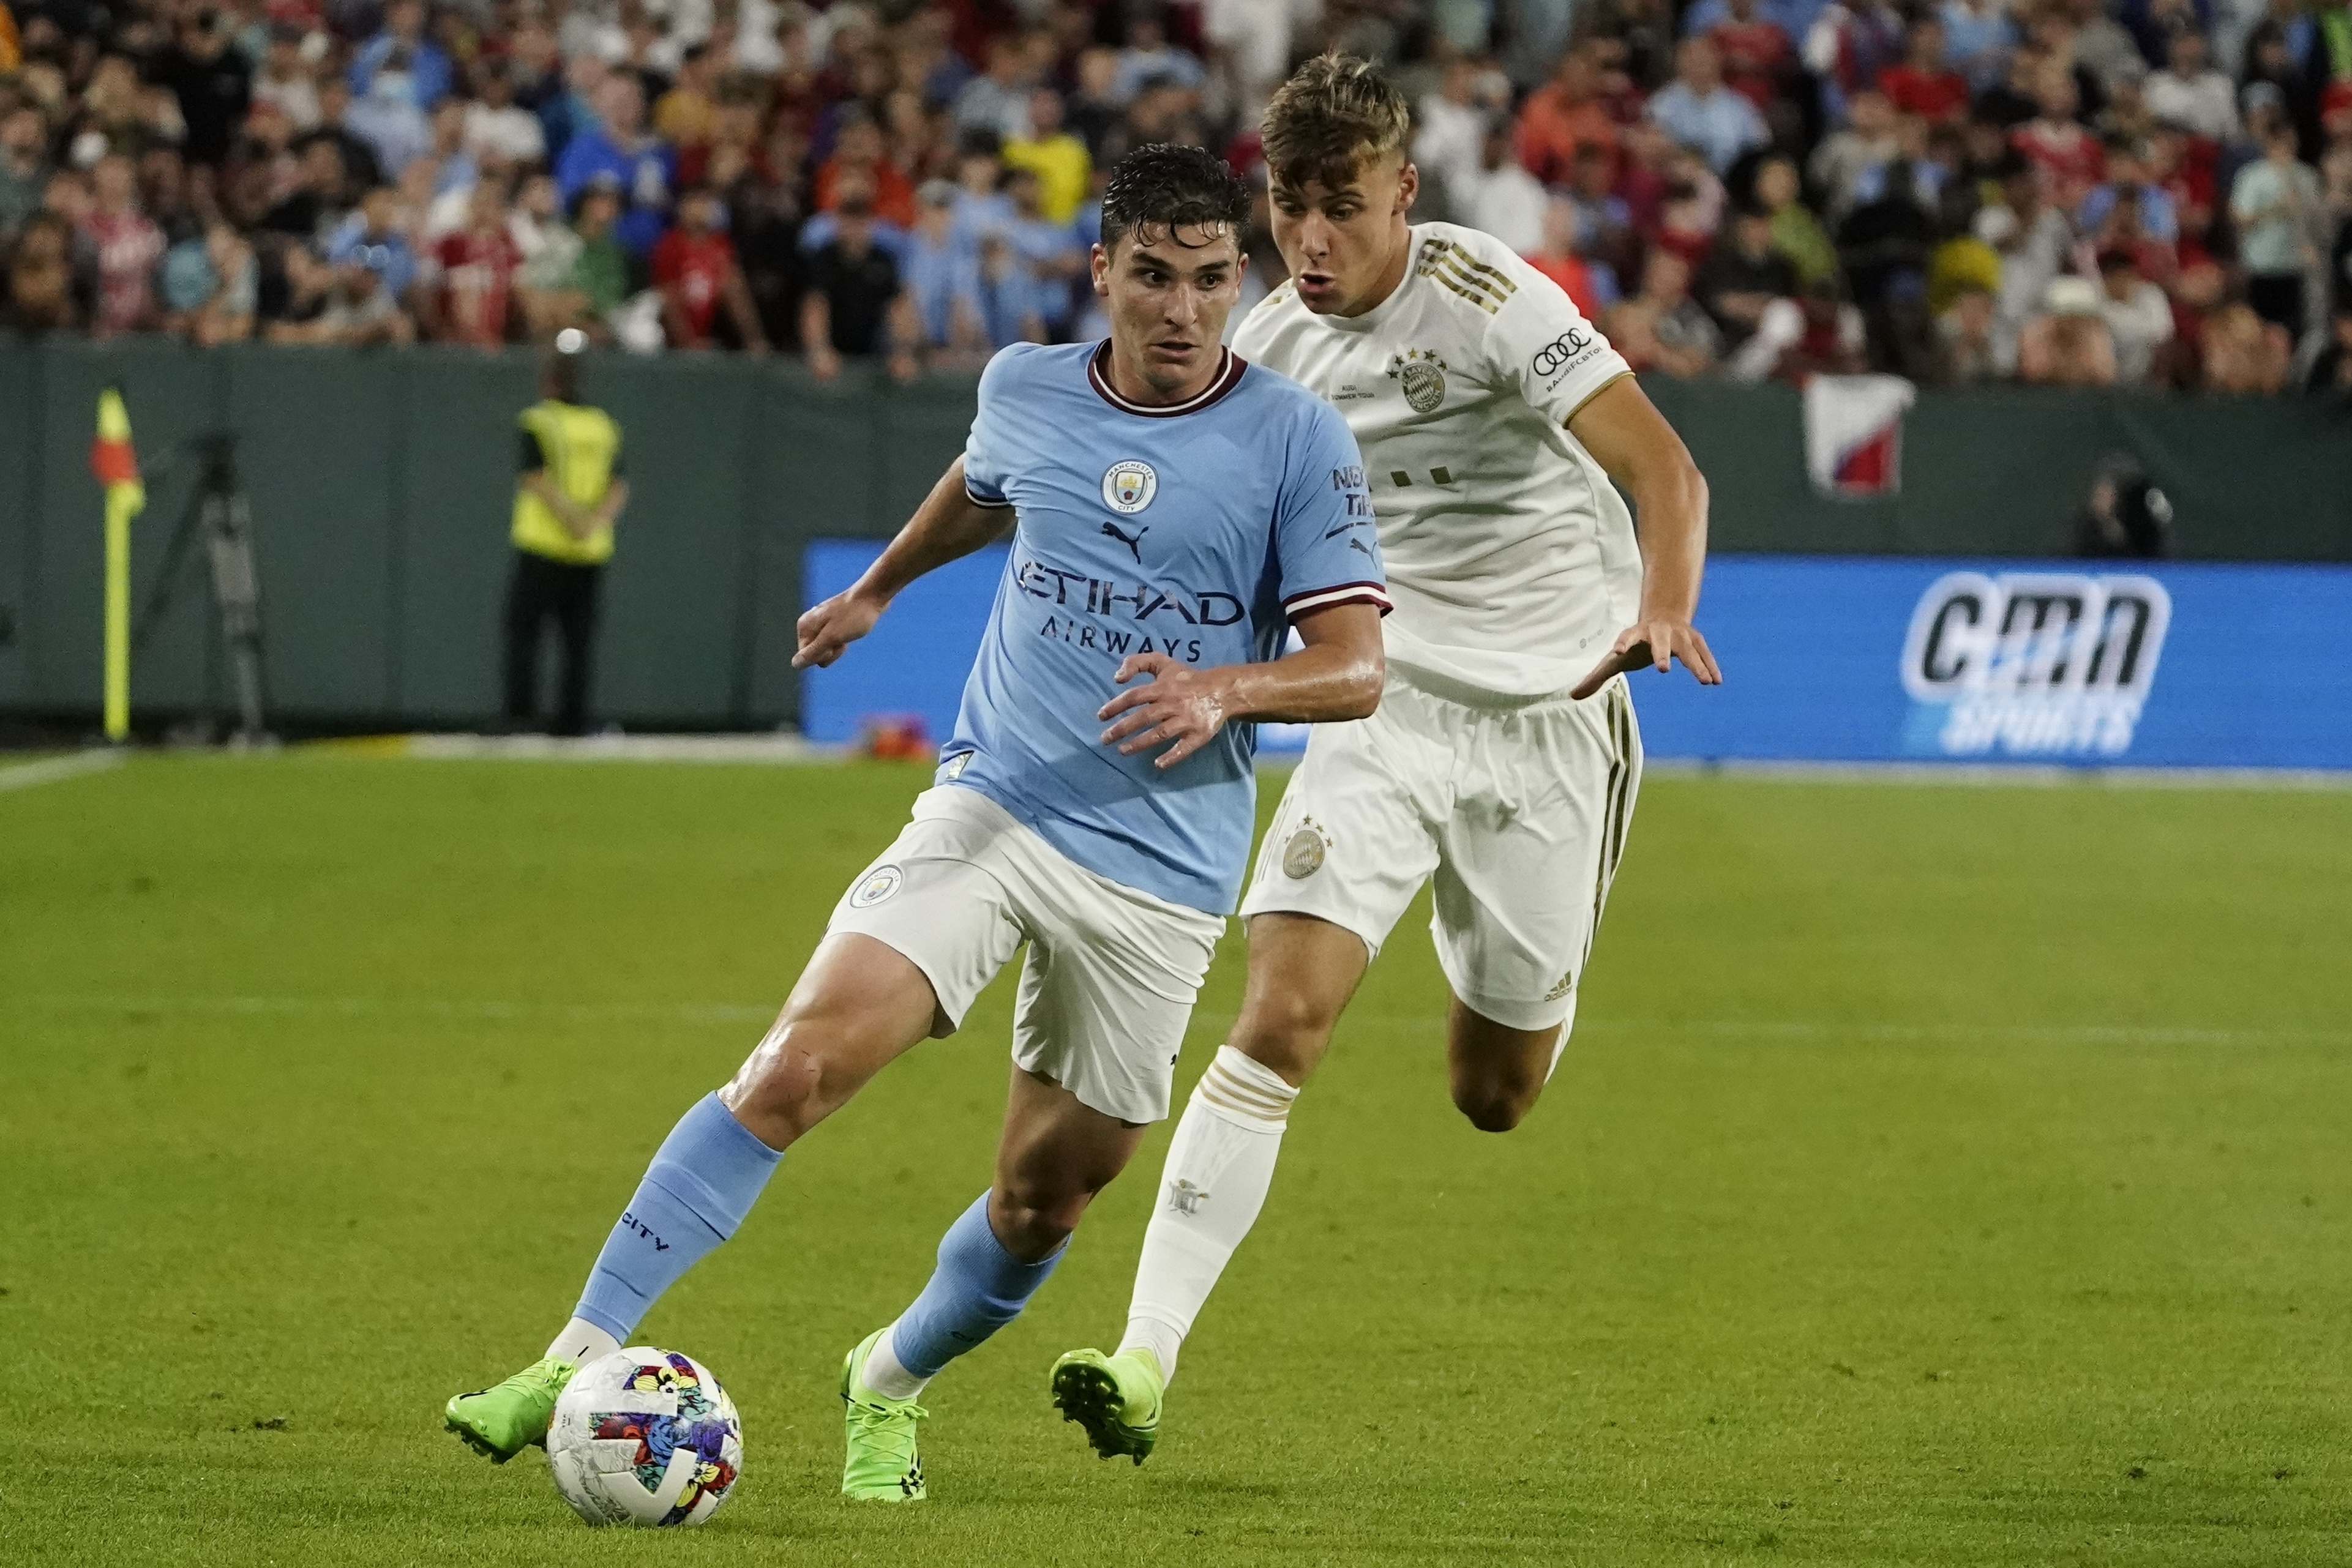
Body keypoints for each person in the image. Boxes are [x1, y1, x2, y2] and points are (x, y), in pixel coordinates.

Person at [443, 143, 1391, 1504]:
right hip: (994, 804)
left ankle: (885, 1381)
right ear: (1100, 274)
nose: (1180, 313)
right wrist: (881, 587)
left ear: (1235, 279)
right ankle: (567, 1358)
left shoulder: (1295, 439)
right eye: (1150, 279)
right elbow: (984, 483)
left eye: (1205, 281)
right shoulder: (1026, 386)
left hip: (1162, 874)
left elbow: (1355, 666)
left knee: (1041, 1201)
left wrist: (1225, 688)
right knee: (792, 1070)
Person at [1049, 54, 1720, 1465]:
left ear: (1401, 194)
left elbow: (1665, 471)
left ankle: (1533, 971)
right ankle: (1141, 1357)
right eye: (1288, 205)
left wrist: (1659, 603)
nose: (1308, 239)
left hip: (1548, 716)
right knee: (1278, 1015)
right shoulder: (1266, 349)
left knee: (1495, 1095)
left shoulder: (1492, 303)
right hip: (1383, 709)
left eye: (1339, 207)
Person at [500, 348, 628, 736]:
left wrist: (572, 520)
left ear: (549, 381)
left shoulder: (539, 420)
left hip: (542, 545)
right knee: (578, 640)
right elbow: (620, 486)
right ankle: (573, 720)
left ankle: (520, 716)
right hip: (590, 550)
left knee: (524, 632)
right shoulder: (603, 425)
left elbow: (534, 478)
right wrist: (593, 523)